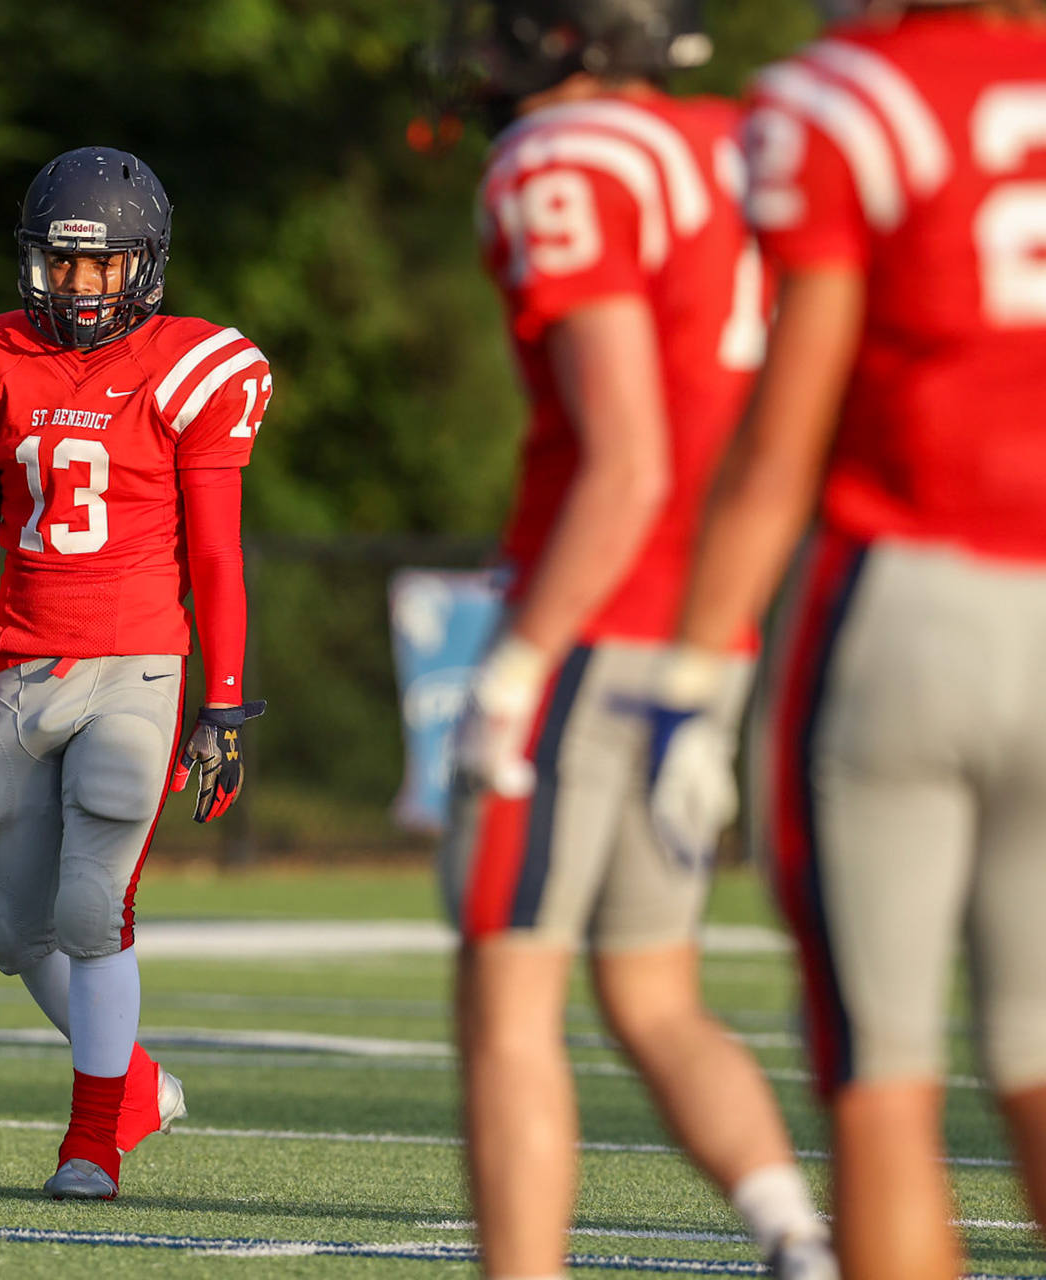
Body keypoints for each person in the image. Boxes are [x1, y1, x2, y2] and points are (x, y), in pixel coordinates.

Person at [647, 2, 1046, 1275]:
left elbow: (783, 439)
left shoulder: (843, 99)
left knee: (883, 1082)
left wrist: (699, 667)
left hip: (904, 605)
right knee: (1039, 1053)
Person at [438, 2, 835, 1276]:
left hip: (596, 616)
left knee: (507, 997)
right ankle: (794, 1235)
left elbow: (628, 458)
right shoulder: (729, 144)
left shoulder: (561, 160)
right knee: (654, 992)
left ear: (573, 37)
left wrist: (516, 659)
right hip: (706, 621)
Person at [0, 146, 269, 1200]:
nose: (77, 287)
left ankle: (92, 1144)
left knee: (91, 907)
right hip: (24, 662)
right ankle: (136, 1083)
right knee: (9, 924)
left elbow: (215, 553)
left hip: (138, 667)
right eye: (61, 266)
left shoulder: (194, 369)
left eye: (100, 266)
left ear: (143, 266)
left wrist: (225, 701)